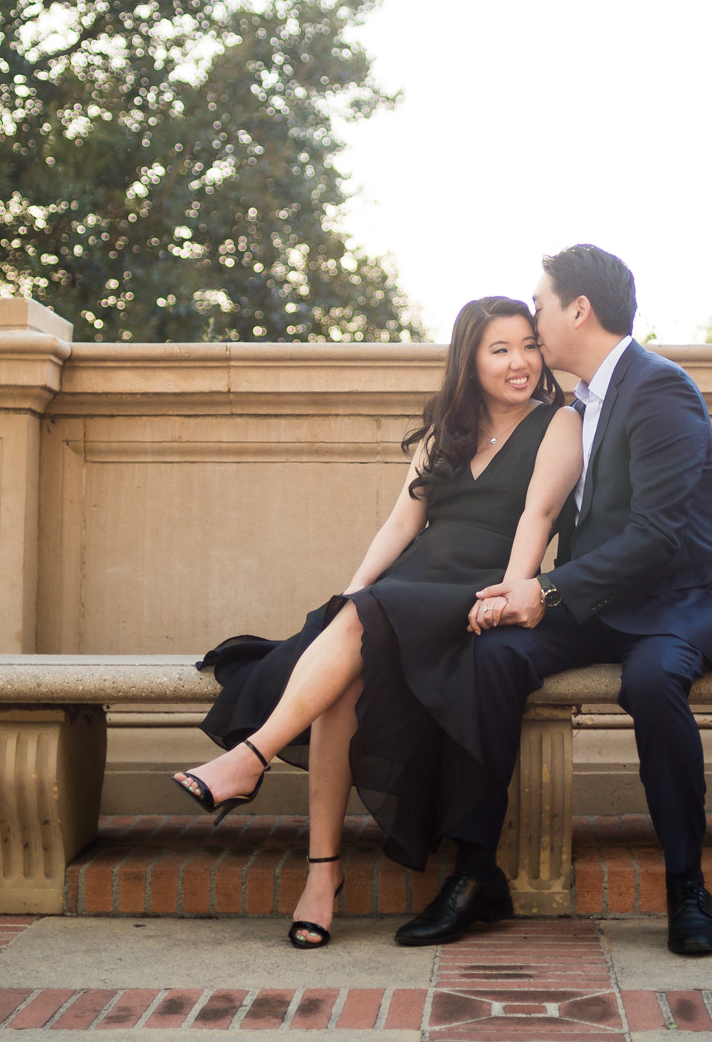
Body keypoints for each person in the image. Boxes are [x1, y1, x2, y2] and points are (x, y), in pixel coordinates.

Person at [172, 296, 582, 948]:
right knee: (342, 689)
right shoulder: (443, 429)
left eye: (529, 344)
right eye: (500, 349)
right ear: (470, 360)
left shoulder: (559, 423)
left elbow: (538, 515)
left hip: (474, 592)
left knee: (359, 640)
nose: (520, 361)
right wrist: (355, 593)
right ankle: (321, 874)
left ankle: (250, 758)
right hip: (404, 590)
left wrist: (507, 592)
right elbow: (401, 523)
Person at [395, 244, 712, 956]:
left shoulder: (661, 388)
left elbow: (657, 534)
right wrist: (530, 591)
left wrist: (546, 590)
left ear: (578, 309)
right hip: (597, 603)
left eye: (540, 305)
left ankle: (687, 884)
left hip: (673, 603)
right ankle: (474, 873)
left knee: (652, 683)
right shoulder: (578, 404)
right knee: (491, 653)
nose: (533, 319)